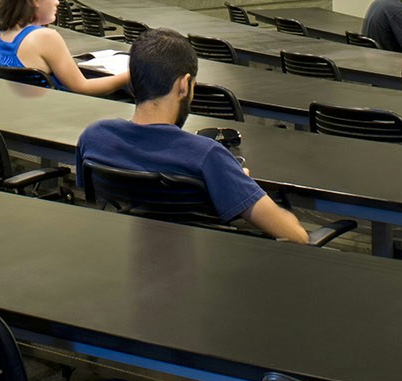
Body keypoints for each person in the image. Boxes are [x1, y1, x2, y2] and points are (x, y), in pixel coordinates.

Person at [76, 29, 309, 243]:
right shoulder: (208, 157)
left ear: (132, 82)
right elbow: (296, 236)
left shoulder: (93, 137)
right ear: (184, 85)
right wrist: (234, 180)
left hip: (121, 256)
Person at [0, 0, 131, 97]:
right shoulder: (45, 37)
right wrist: (131, 74)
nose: (57, 2)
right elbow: (83, 87)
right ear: (35, 0)